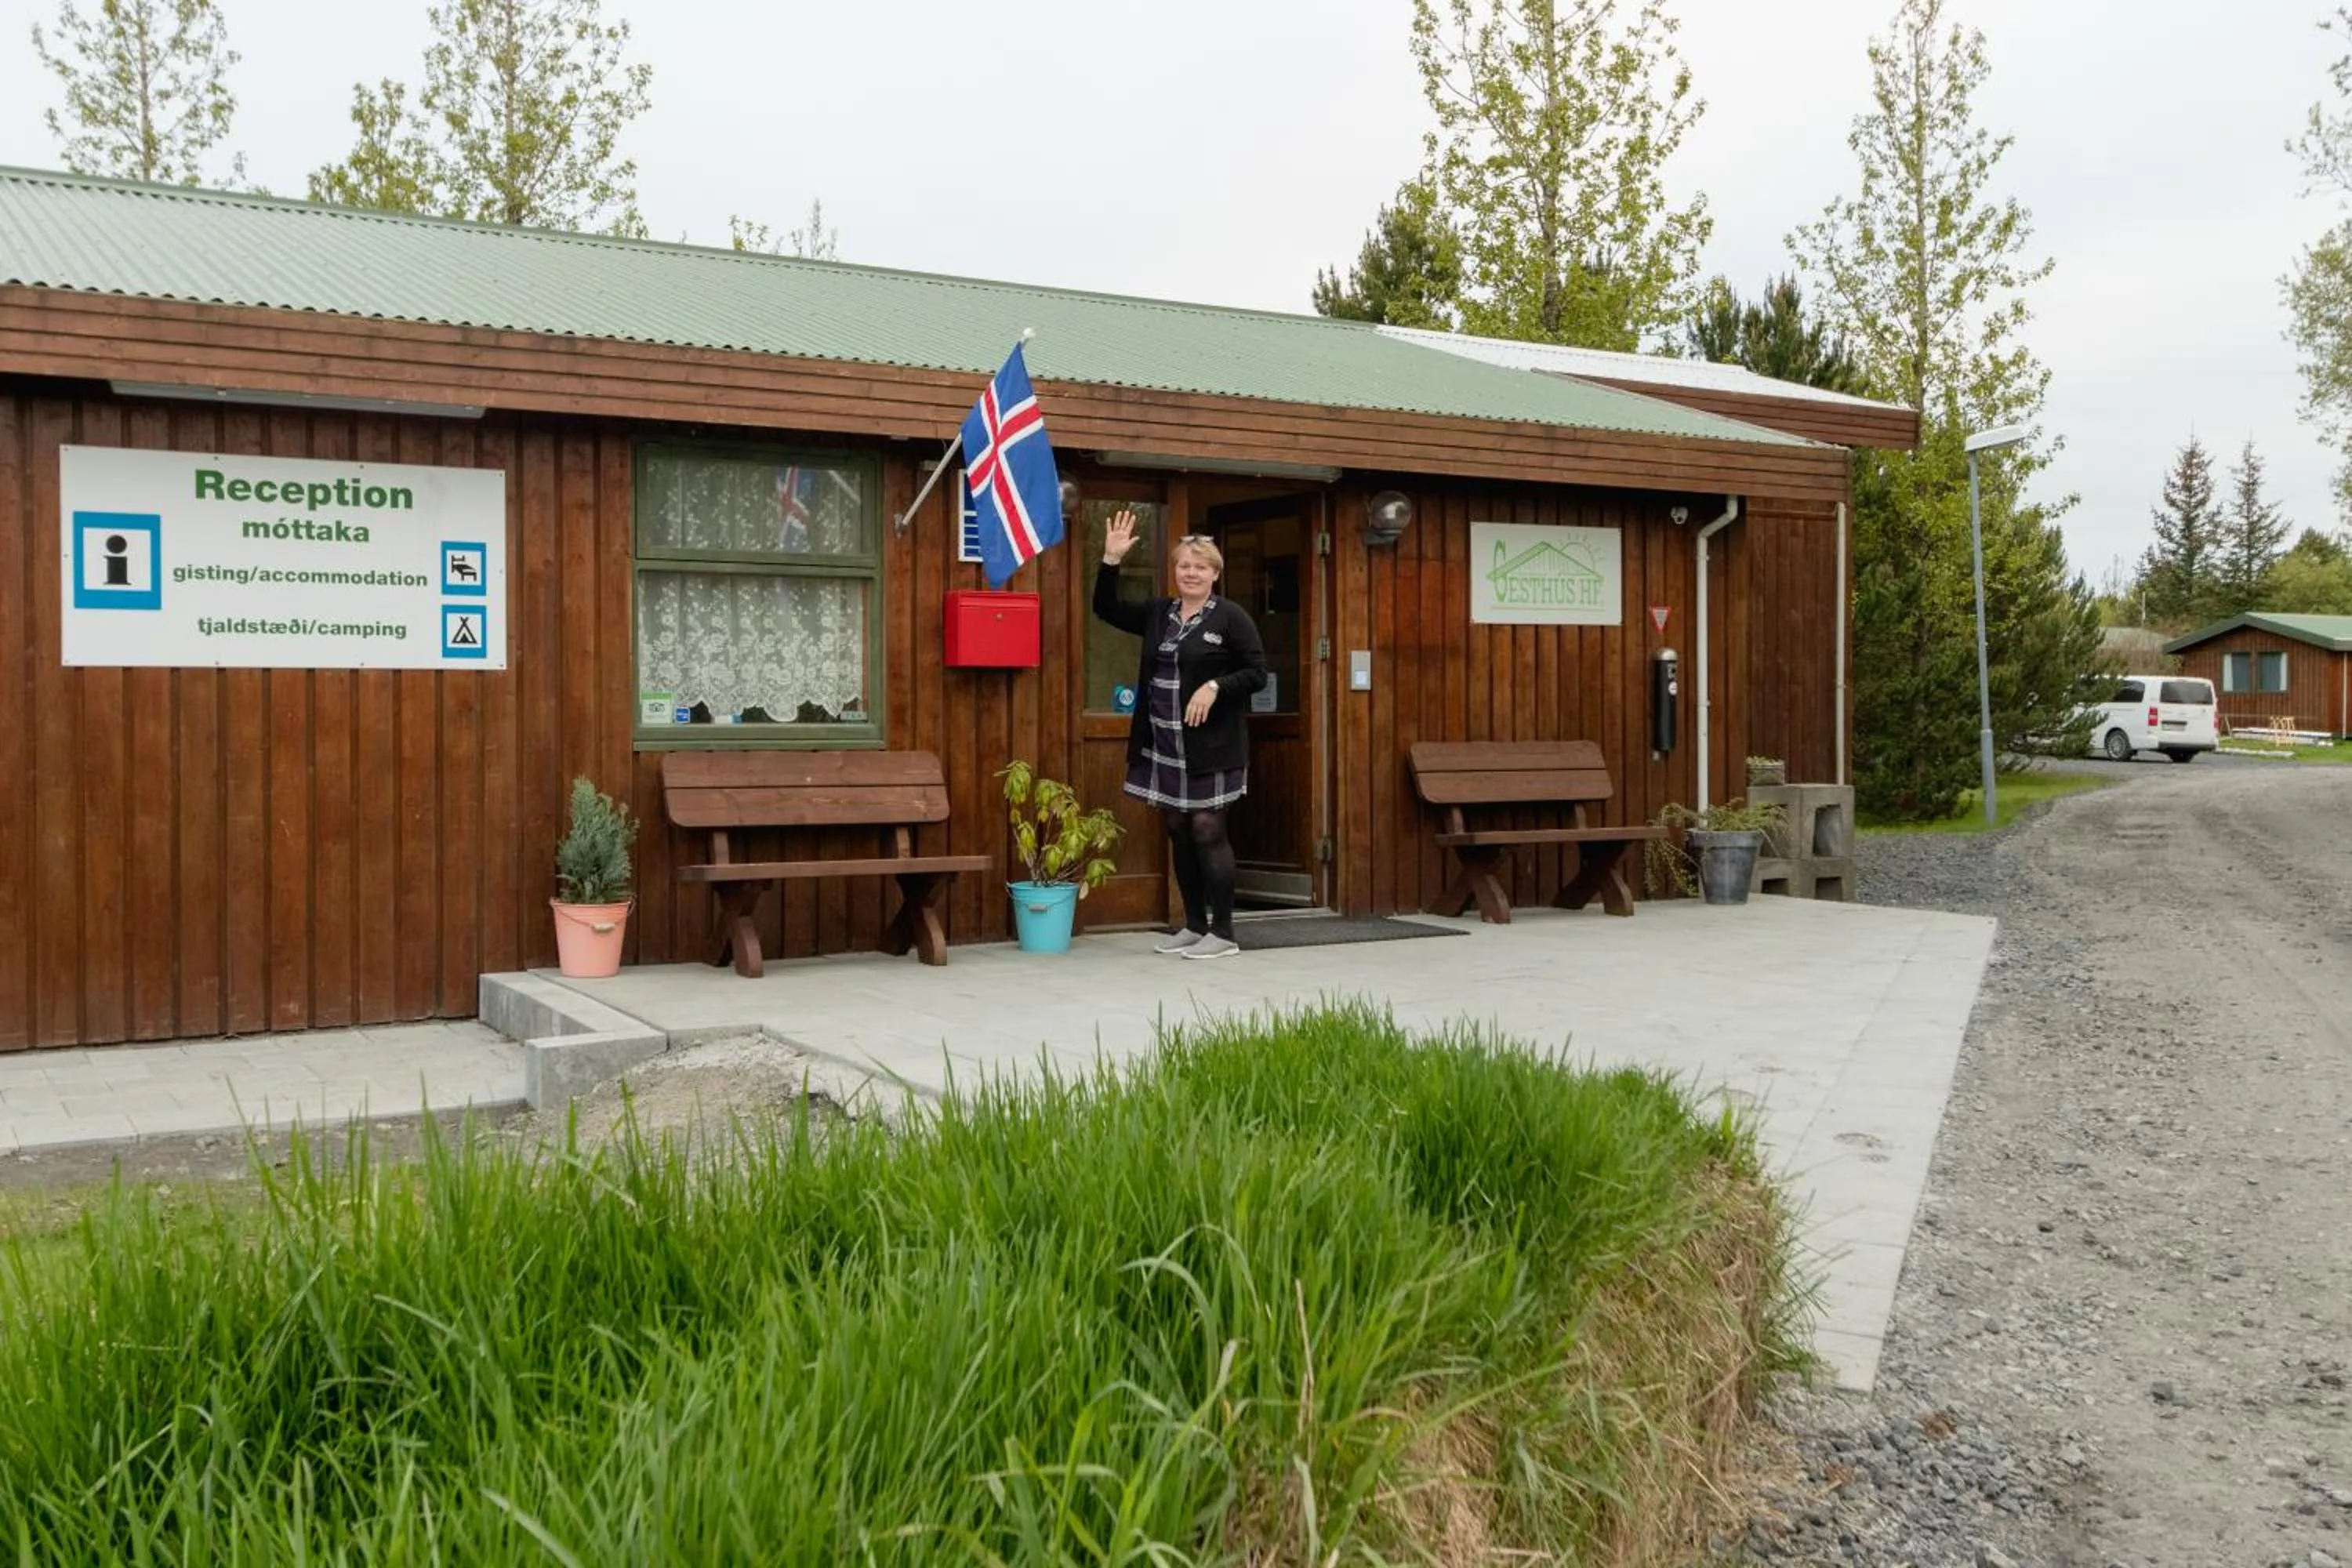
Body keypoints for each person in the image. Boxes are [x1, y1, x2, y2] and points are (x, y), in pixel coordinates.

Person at [1094, 511, 1269, 960]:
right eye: (1184, 566)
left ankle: (1224, 933)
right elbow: (1106, 608)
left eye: (1200, 566)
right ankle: (1193, 925)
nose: (1190, 573)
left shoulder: (1230, 617)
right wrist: (1111, 560)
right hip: (1163, 742)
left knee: (1208, 829)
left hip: (1211, 747)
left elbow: (1256, 673)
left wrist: (1215, 686)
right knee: (1178, 829)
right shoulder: (1159, 614)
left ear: (1215, 573)